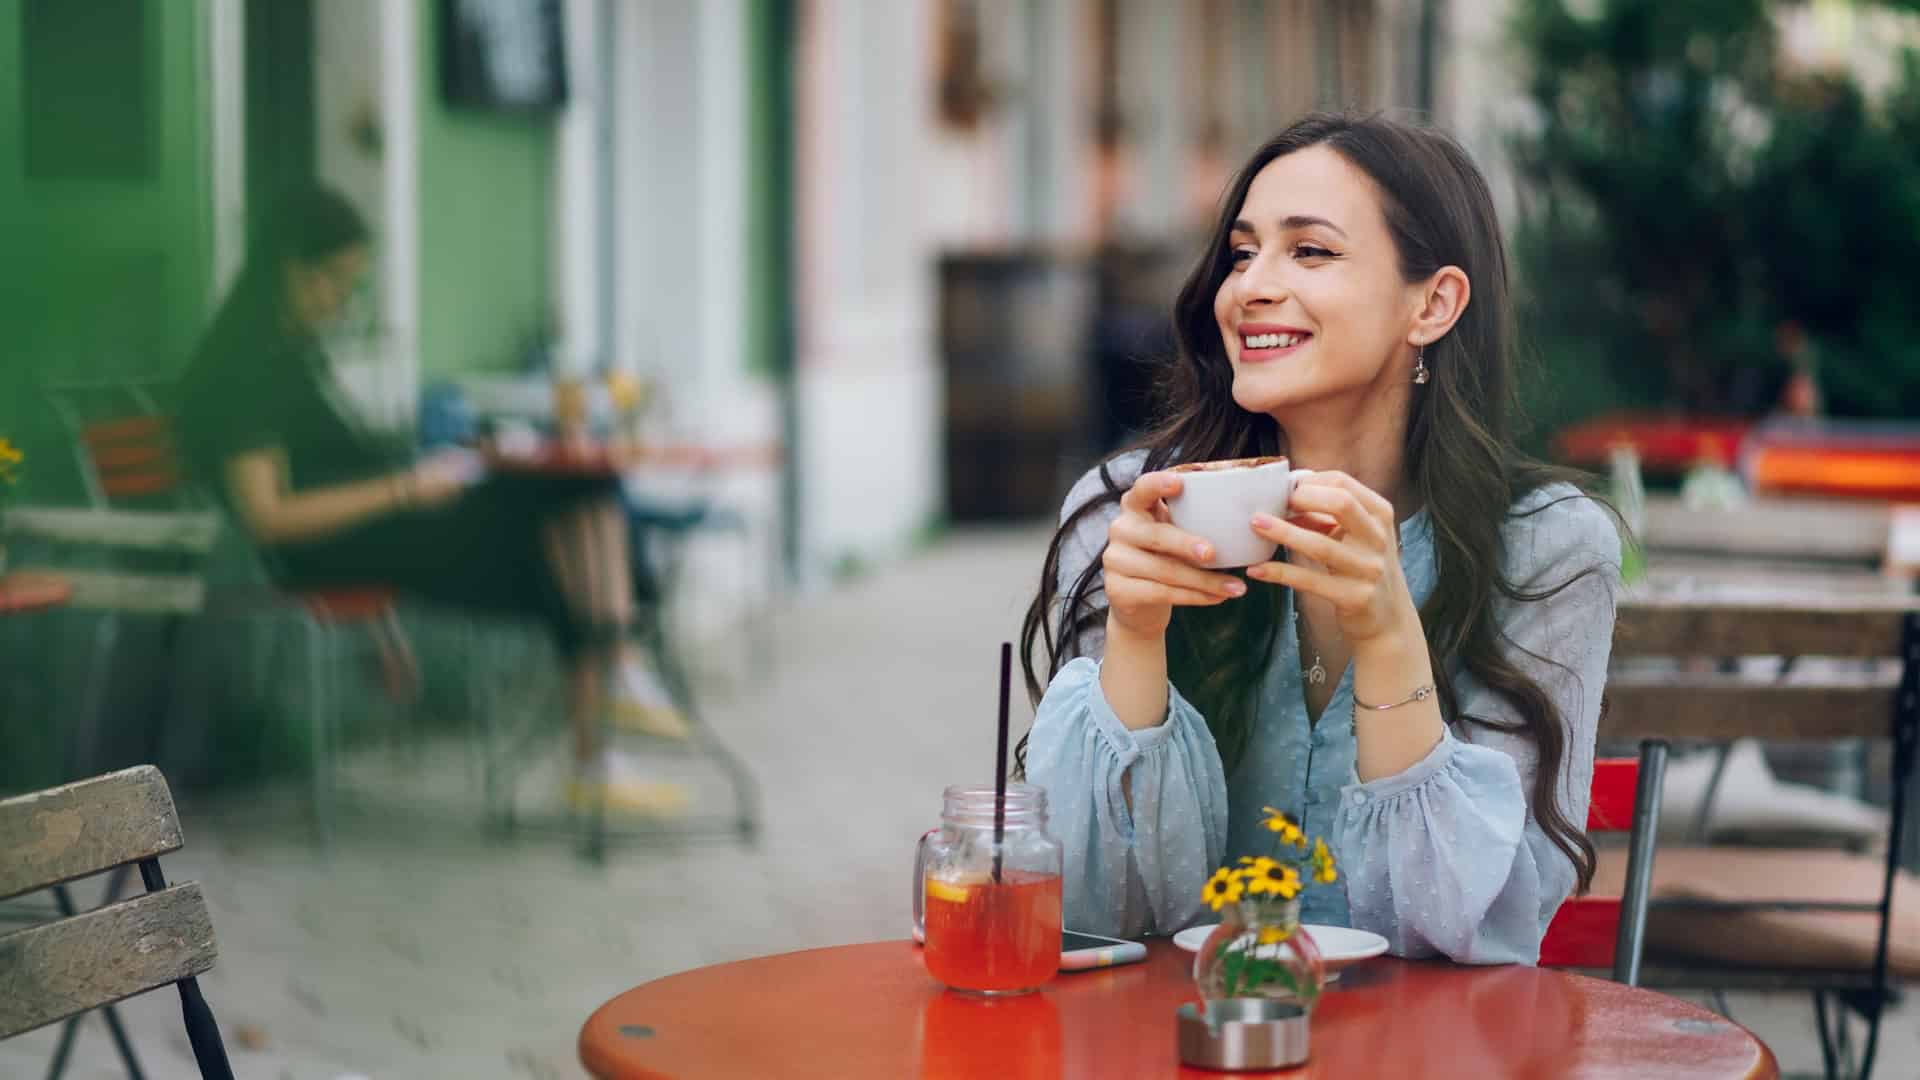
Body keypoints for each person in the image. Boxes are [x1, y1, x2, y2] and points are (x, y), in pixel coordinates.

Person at [1018, 113, 1624, 964]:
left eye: (1309, 251)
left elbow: (1465, 930)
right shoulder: (1127, 514)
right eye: (1241, 252)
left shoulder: (1548, 550)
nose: (1249, 288)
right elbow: (1095, 910)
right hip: (1176, 1036)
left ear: (1434, 302)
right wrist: (1136, 639)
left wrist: (1386, 639)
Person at [173, 186, 684, 812]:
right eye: (337, 281)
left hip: (378, 528)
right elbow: (270, 520)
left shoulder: (286, 356)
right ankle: (604, 709)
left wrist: (421, 488)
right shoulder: (244, 370)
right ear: (289, 268)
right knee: (562, 502)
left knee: (580, 488)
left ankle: (610, 691)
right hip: (327, 550)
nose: (343, 301)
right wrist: (405, 487)